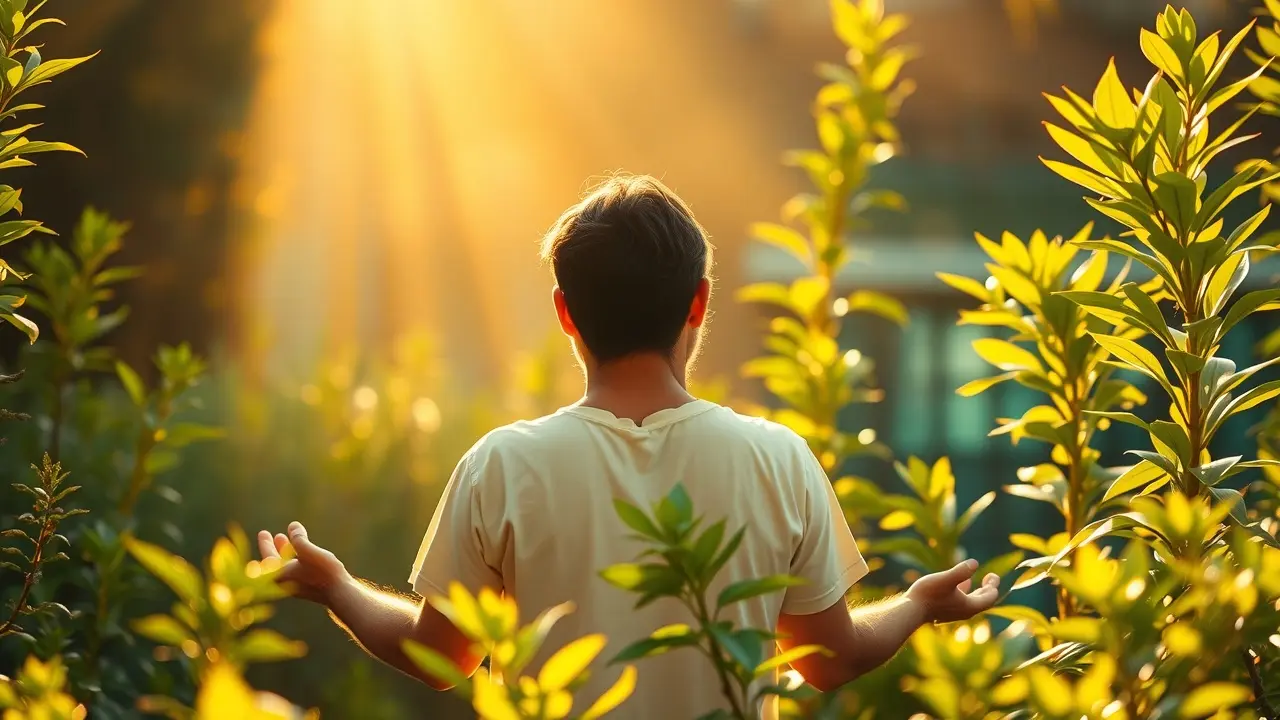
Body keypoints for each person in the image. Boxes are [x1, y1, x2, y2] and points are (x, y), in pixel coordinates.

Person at [256, 174, 1001, 719]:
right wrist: (914, 605)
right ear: (699, 303)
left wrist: (338, 588)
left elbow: (443, 657)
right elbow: (828, 659)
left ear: (565, 313)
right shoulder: (778, 459)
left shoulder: (502, 466)